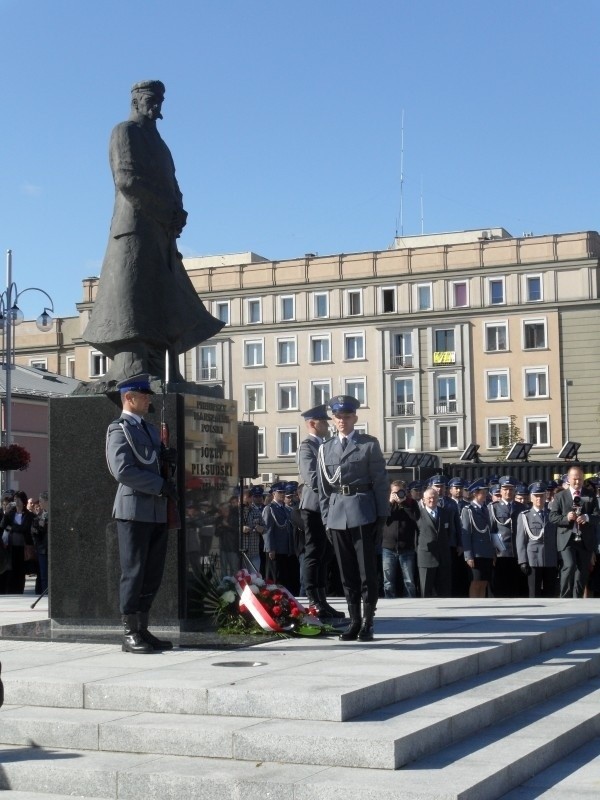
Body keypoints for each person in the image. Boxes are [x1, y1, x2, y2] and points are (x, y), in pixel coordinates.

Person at [82, 80, 222, 388]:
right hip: (133, 230)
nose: (156, 105)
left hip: (161, 233)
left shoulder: (161, 145)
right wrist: (166, 210)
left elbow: (174, 185)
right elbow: (126, 180)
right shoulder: (125, 132)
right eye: (149, 99)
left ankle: (164, 370)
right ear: (135, 101)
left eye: (159, 100)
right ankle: (131, 368)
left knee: (162, 299)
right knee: (132, 299)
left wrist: (179, 211)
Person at [105, 374, 177, 653]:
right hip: (134, 509)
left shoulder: (148, 429)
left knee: (152, 573)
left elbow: (152, 463)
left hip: (157, 510)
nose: (149, 399)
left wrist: (167, 462)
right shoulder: (118, 429)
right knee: (134, 572)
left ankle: (143, 627)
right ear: (129, 398)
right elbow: (122, 470)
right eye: (144, 395)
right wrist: (159, 485)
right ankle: (129, 632)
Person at [317, 395, 388, 642]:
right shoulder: (325, 448)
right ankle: (354, 620)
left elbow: (380, 482)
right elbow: (324, 488)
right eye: (338, 417)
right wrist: (326, 518)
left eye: (346, 417)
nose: (342, 421)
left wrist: (381, 517)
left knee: (367, 572)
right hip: (337, 513)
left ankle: (368, 621)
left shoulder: (368, 445)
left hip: (363, 511)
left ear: (355, 418)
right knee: (346, 573)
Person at [297, 404, 344, 619]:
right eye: (324, 421)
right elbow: (312, 479)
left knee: (326, 554)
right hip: (314, 507)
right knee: (314, 552)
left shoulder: (327, 445)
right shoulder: (307, 447)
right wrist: (336, 487)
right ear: (312, 424)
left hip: (329, 507)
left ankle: (322, 599)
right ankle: (313, 600)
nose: (327, 424)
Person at [549, 465, 596, 598]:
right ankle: (564, 597)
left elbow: (597, 516)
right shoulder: (560, 496)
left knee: (582, 572)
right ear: (568, 479)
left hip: (584, 540)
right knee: (569, 566)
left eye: (580, 479)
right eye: (575, 479)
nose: (577, 482)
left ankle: (577, 599)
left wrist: (587, 517)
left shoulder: (590, 495)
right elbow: (552, 517)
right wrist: (566, 518)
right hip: (567, 539)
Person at [516, 482, 558, 598]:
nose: (539, 498)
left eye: (541, 495)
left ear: (545, 496)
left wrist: (558, 557)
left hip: (550, 558)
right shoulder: (525, 515)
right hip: (533, 559)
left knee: (550, 592)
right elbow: (521, 540)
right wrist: (523, 561)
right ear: (531, 497)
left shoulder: (551, 515)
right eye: (536, 496)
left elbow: (555, 538)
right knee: (534, 593)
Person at [489, 476, 528, 597]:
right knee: (500, 586)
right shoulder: (493, 507)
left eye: (511, 489)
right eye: (505, 489)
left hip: (517, 552)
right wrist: (494, 552)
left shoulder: (521, 507)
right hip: (501, 552)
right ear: (500, 490)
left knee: (517, 587)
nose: (508, 492)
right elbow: (491, 530)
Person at [381, 480, 419, 598]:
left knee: (409, 581)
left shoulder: (411, 503)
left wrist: (404, 504)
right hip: (388, 548)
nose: (397, 494)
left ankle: (410, 601)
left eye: (400, 492)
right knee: (388, 581)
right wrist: (390, 503)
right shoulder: (386, 504)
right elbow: (383, 520)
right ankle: (389, 600)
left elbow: (415, 518)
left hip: (406, 547)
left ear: (405, 491)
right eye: (394, 492)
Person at [415, 487, 453, 597]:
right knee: (425, 589)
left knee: (444, 590)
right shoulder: (418, 515)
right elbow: (415, 535)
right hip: (426, 556)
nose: (432, 500)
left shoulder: (445, 513)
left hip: (443, 556)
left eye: (434, 498)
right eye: (429, 498)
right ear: (423, 500)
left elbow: (450, 532)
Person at [461, 480, 495, 598]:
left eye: (485, 492)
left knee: (484, 582)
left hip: (487, 552)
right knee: (475, 582)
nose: (485, 495)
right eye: (482, 493)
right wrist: (468, 555)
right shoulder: (468, 510)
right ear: (475, 494)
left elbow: (489, 533)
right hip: (476, 553)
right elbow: (465, 534)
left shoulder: (486, 509)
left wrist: (493, 553)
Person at [262, 482, 297, 592]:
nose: (282, 494)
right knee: (275, 577)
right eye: (280, 492)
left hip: (286, 549)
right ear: (274, 494)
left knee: (284, 577)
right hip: (276, 549)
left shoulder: (285, 509)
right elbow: (267, 530)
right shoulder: (270, 509)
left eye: (283, 492)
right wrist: (270, 548)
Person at [0, 490, 34, 594]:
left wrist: (13, 528)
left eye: (18, 499)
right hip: (11, 546)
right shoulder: (11, 514)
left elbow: (26, 528)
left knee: (21, 570)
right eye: (15, 499)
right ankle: (11, 590)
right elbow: (2, 525)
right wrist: (6, 513)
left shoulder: (29, 515)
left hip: (23, 547)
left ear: (23, 501)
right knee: (11, 569)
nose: (16, 502)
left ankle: (19, 589)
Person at [31, 490, 49, 594]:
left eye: (41, 501)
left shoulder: (52, 515)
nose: (40, 503)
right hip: (42, 548)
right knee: (43, 575)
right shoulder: (39, 517)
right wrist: (39, 527)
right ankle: (45, 593)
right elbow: (34, 531)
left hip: (50, 548)